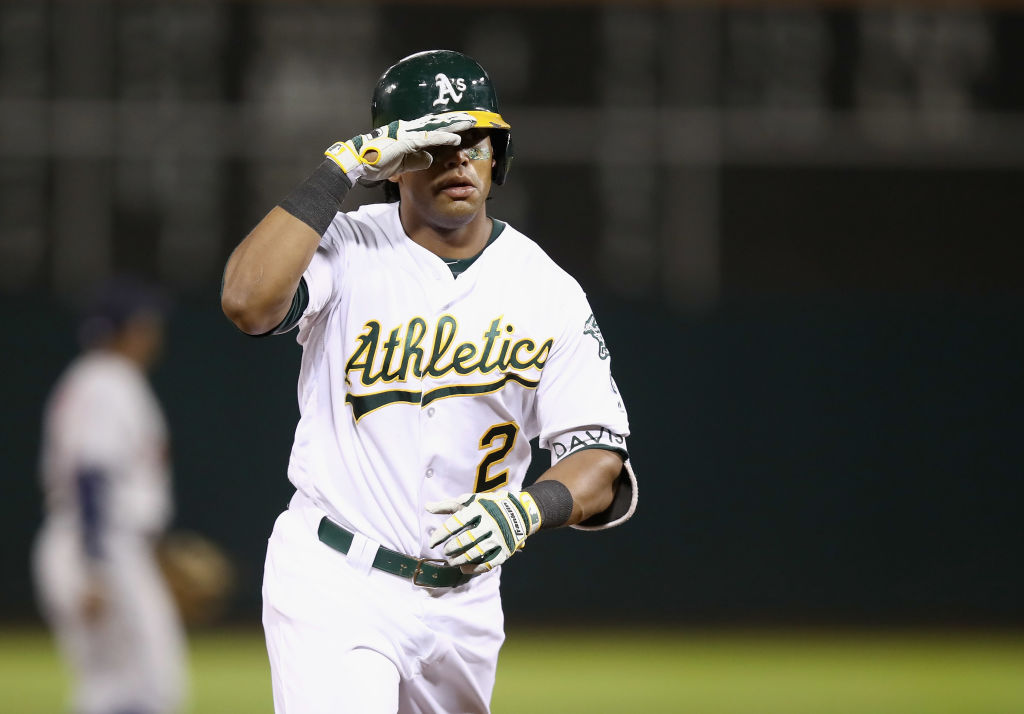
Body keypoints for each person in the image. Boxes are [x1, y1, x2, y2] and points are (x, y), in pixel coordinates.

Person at [221, 49, 638, 714]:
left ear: (498, 156)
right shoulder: (345, 246)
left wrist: (532, 507)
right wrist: (339, 169)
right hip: (337, 577)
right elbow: (247, 300)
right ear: (393, 161)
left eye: (474, 141)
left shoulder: (548, 290)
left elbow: (600, 463)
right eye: (432, 144)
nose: (457, 160)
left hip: (466, 605)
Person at [32, 278, 186, 714]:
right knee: (141, 689)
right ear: (128, 329)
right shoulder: (107, 382)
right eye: (146, 323)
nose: (154, 332)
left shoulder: (95, 379)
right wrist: (95, 566)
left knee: (120, 686)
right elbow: (90, 476)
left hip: (97, 541)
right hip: (96, 546)